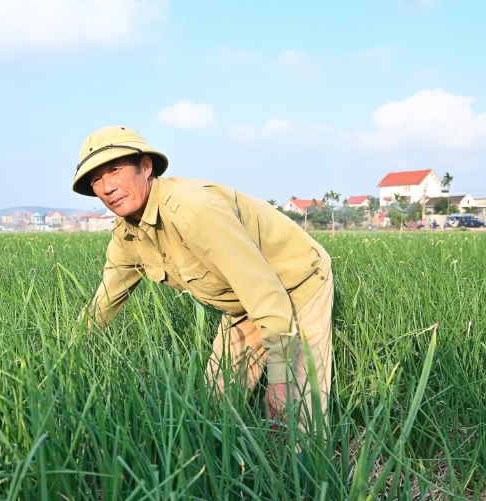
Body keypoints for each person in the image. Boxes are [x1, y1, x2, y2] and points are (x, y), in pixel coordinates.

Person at [74, 126, 334, 427]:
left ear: (145, 167)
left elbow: (265, 292)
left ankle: (299, 468)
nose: (107, 187)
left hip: (296, 284)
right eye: (95, 180)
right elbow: (102, 304)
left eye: (115, 170)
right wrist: (68, 356)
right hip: (244, 303)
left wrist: (280, 379)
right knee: (214, 409)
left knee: (296, 414)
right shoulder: (128, 236)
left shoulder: (193, 211)